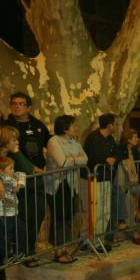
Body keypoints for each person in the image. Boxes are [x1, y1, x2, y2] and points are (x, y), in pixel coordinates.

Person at [46, 115, 88, 263]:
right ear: (65, 128)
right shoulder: (53, 141)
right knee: (59, 217)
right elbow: (63, 163)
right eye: (74, 125)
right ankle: (58, 251)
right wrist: (72, 160)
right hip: (59, 185)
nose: (76, 128)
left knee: (69, 216)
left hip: (72, 185)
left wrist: (73, 159)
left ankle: (64, 248)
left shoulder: (74, 142)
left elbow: (85, 159)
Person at [0, 125, 41, 266]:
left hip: (10, 205)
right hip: (2, 207)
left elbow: (26, 170)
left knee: (20, 229)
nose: (17, 142)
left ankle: (15, 255)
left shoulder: (10, 156)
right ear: (5, 141)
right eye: (14, 140)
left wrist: (17, 153)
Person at [82, 113, 121, 250]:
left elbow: (117, 153)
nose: (116, 126)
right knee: (95, 211)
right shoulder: (93, 138)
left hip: (106, 178)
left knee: (105, 211)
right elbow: (91, 156)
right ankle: (91, 241)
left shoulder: (110, 138)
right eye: (115, 123)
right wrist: (106, 160)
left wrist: (114, 159)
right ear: (109, 125)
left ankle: (100, 239)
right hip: (94, 179)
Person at [116, 129, 140, 244]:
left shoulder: (134, 150)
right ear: (128, 139)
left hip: (134, 182)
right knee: (128, 201)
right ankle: (134, 232)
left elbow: (137, 167)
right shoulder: (120, 150)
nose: (136, 139)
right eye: (134, 137)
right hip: (124, 185)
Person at [0, 156, 25, 280]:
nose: (13, 170)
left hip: (12, 213)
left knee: (19, 232)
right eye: (10, 168)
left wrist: (18, 181)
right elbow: (15, 188)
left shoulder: (8, 177)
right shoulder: (4, 178)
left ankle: (13, 253)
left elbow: (21, 174)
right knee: (3, 242)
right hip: (2, 215)